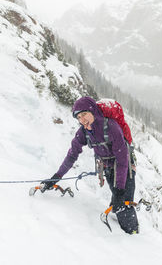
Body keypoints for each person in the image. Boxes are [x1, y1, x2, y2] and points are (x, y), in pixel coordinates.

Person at [42, 96, 139, 234]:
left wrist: (120, 190)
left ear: (93, 111)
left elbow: (122, 161)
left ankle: (133, 235)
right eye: (79, 117)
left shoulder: (111, 127)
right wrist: (56, 177)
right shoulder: (83, 132)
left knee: (124, 204)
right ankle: (120, 229)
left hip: (125, 166)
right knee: (117, 202)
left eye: (85, 114)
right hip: (108, 167)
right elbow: (72, 155)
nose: (82, 120)